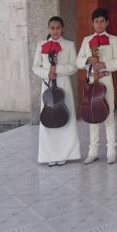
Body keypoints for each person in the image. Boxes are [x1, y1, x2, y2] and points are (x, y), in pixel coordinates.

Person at [75, 8, 117, 164]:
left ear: (107, 22)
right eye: (96, 21)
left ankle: (111, 151)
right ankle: (93, 151)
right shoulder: (86, 40)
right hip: (91, 81)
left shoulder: (114, 39)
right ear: (92, 23)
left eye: (102, 21)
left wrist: (104, 64)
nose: (99, 24)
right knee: (92, 116)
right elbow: (77, 62)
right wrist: (88, 60)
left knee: (108, 115)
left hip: (106, 81)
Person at [32, 16, 80, 166]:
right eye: (52, 28)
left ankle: (65, 153)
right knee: (49, 117)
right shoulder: (41, 45)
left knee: (66, 116)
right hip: (47, 86)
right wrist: (48, 73)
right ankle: (49, 155)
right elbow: (35, 67)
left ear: (62, 28)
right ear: (48, 29)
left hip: (64, 84)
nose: (55, 31)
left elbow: (74, 66)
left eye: (58, 28)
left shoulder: (69, 45)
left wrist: (57, 69)